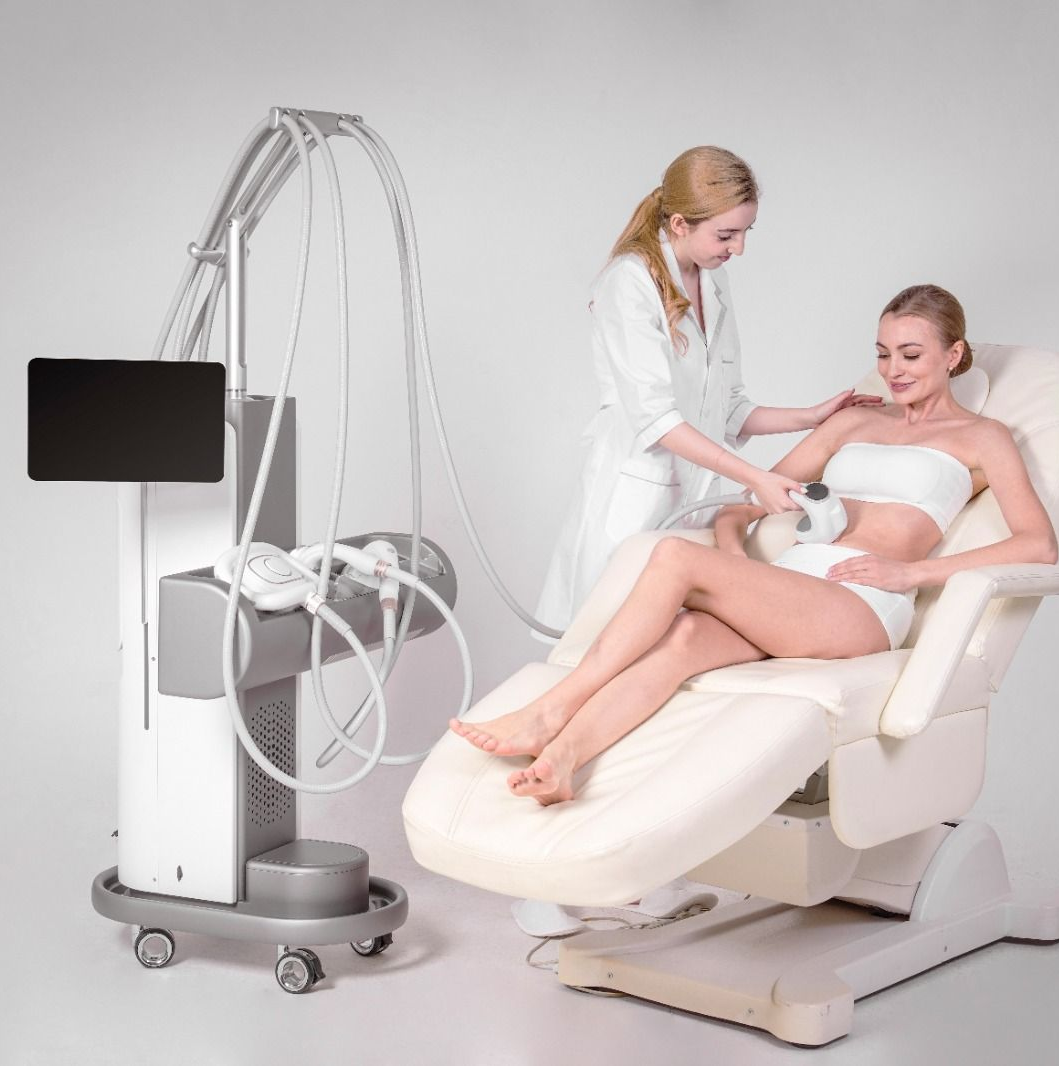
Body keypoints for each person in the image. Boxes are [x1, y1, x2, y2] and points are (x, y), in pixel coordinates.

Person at [454, 284, 1058, 804]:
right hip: (792, 588)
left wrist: (912, 575)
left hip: (860, 603)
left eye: (911, 354)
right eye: (881, 354)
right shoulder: (853, 422)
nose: (892, 370)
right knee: (684, 636)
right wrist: (732, 555)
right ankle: (563, 762)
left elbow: (1039, 545)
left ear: (953, 354)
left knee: (674, 556)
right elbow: (747, 501)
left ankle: (551, 710)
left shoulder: (982, 437)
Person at [535, 146, 881, 634]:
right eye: (726, 234)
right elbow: (658, 421)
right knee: (603, 639)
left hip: (689, 505)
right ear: (679, 223)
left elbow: (728, 408)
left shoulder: (712, 283)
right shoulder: (629, 283)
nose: (738, 248)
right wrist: (756, 478)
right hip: (634, 502)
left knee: (665, 643)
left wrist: (812, 416)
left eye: (745, 232)